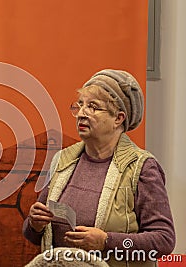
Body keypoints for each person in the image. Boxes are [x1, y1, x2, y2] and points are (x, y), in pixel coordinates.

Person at [23, 69, 175, 266]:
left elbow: (164, 240)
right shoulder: (64, 160)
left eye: (93, 107)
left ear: (118, 118)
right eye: (80, 106)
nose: (81, 114)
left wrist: (106, 242)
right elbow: (32, 233)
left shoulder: (141, 167)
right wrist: (35, 224)